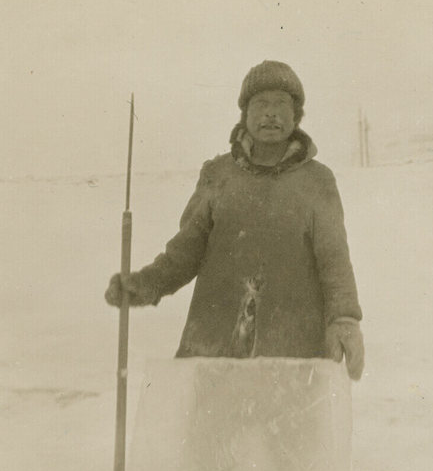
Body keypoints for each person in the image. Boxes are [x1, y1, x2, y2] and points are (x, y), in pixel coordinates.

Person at [105, 60, 364, 380]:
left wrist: (344, 320)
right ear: (245, 113)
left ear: (296, 116)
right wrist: (146, 284)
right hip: (216, 342)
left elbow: (334, 259)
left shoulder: (318, 181)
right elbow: (186, 251)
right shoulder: (218, 175)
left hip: (292, 346)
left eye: (281, 104)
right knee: (213, 427)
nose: (271, 113)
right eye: (261, 104)